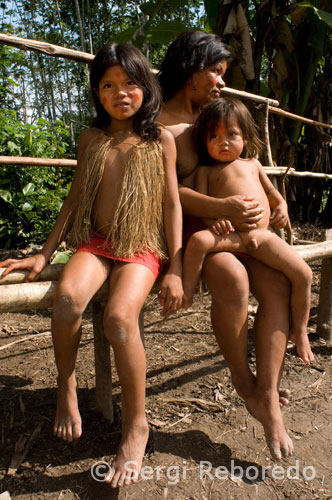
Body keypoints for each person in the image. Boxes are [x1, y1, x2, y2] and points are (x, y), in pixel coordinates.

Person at [0, 43, 183, 488]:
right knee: (65, 300)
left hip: (141, 244)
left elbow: (173, 204)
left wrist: (175, 266)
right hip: (97, 243)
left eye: (130, 84)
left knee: (120, 319)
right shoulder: (91, 139)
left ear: (146, 87)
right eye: (108, 85)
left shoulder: (160, 140)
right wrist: (45, 253)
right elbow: (75, 199)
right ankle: (66, 384)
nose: (120, 93)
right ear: (97, 92)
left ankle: (136, 424)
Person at [158, 30, 294, 460]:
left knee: (278, 287)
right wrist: (223, 205)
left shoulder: (210, 119)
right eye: (214, 72)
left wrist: (275, 199)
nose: (221, 81)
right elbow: (168, 194)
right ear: (189, 69)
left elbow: (246, 167)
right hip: (192, 236)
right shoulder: (157, 124)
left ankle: (267, 395)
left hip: (235, 230)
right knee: (234, 280)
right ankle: (244, 383)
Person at [182, 97, 314, 364]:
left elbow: (272, 192)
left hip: (262, 238)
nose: (224, 142)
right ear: (204, 142)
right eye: (214, 136)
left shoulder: (253, 164)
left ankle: (299, 330)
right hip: (232, 238)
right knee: (198, 240)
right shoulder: (206, 172)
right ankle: (186, 292)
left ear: (244, 136)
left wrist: (282, 207)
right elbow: (203, 207)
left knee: (304, 274)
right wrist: (214, 222)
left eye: (232, 134)